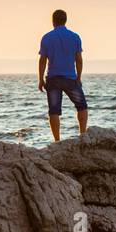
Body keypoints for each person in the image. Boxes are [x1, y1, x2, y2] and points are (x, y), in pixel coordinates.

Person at [37, 8, 88, 141]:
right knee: (82, 106)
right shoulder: (75, 37)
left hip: (53, 79)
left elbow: (42, 60)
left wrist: (41, 79)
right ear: (65, 20)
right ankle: (82, 135)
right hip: (70, 78)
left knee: (54, 111)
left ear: (53, 21)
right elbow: (79, 59)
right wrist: (79, 77)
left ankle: (57, 140)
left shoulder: (47, 38)